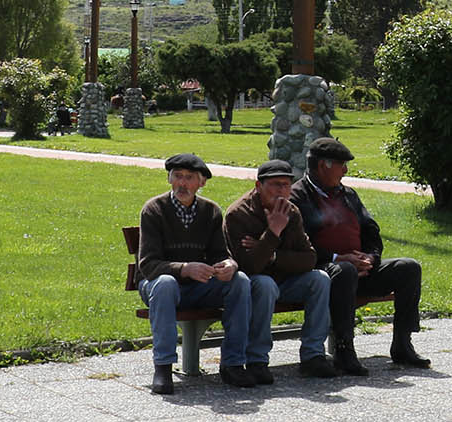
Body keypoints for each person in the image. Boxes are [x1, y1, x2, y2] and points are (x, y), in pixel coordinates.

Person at [291, 137, 430, 375]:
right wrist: (337, 258)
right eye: (341, 164)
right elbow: (298, 244)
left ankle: (403, 344)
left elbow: (370, 231)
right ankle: (344, 349)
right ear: (323, 165)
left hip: (360, 269)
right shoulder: (298, 197)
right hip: (323, 270)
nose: (345, 170)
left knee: (409, 267)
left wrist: (370, 258)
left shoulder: (348, 195)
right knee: (344, 271)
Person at [135, 153, 258, 393]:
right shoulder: (154, 209)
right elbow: (148, 265)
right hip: (159, 286)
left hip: (197, 286)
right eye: (177, 177)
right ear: (169, 179)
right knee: (166, 284)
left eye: (189, 178)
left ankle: (233, 363)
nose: (182, 183)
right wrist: (184, 268)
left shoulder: (210, 211)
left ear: (201, 183)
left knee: (240, 281)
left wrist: (228, 265)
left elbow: (218, 254)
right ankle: (163, 367)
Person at [224, 159, 338, 380]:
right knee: (264, 283)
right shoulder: (239, 214)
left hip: (287, 281)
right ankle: (257, 360)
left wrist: (270, 253)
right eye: (275, 185)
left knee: (320, 278)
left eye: (286, 185)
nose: (282, 191)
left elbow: (309, 258)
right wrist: (274, 231)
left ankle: (313, 356)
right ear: (258, 186)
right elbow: (250, 267)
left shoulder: (291, 211)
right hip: (253, 285)